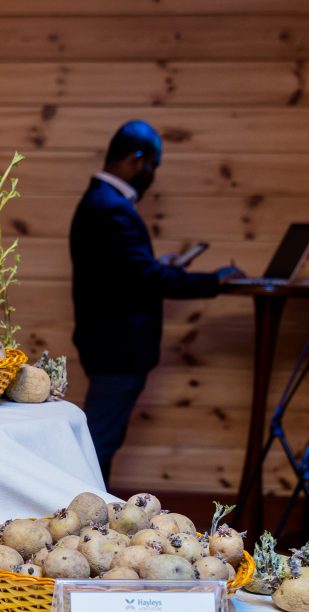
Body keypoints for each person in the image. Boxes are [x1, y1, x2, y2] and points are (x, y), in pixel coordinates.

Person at [68, 120, 239, 479]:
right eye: (153, 166)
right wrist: (214, 281)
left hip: (107, 345)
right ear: (137, 158)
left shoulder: (101, 203)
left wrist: (159, 266)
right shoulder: (111, 208)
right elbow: (144, 279)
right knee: (99, 445)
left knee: (102, 440)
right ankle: (86, 517)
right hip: (117, 349)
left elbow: (123, 272)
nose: (152, 175)